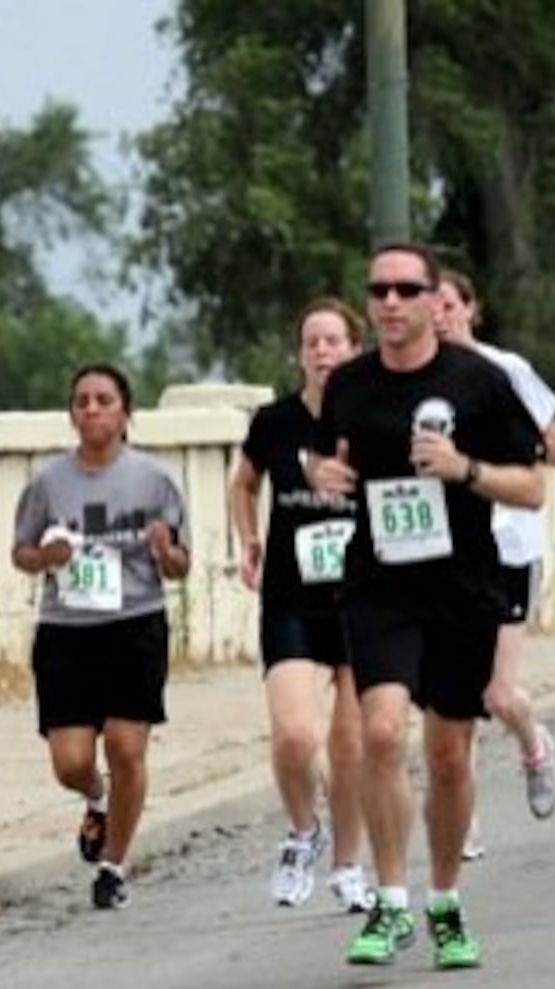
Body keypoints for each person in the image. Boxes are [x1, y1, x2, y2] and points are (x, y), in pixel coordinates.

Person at [308, 242, 545, 970]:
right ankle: (389, 902)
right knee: (380, 733)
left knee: (447, 756)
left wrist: (463, 469)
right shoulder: (348, 384)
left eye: (405, 289)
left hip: (463, 587)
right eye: (377, 289)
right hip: (379, 583)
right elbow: (325, 459)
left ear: (434, 300)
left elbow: (533, 487)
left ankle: (444, 900)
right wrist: (323, 475)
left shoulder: (478, 382)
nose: (389, 302)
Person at [11, 363, 192, 910]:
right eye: (82, 401)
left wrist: (165, 550)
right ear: (72, 414)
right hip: (67, 629)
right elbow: (20, 552)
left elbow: (183, 565)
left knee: (125, 745)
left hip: (135, 623)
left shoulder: (154, 479)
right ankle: (97, 795)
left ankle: (113, 865)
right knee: (70, 761)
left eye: (103, 399)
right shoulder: (48, 482)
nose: (91, 409)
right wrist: (46, 556)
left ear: (125, 413)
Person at [229, 299, 372, 911]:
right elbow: (243, 481)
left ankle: (348, 866)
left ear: (354, 350)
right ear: (300, 355)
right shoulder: (275, 422)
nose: (322, 352)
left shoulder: (374, 420)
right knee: (293, 734)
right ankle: (303, 833)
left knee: (350, 747)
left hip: (364, 597)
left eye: (333, 341)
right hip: (292, 595)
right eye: (312, 342)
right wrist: (249, 540)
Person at [435, 270, 555, 863]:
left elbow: (553, 445)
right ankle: (465, 819)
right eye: (428, 305)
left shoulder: (503, 370)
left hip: (510, 545)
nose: (438, 316)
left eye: (448, 305)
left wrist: (497, 459)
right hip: (447, 554)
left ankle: (534, 747)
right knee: (450, 698)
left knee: (499, 694)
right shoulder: (415, 383)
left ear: (471, 310)